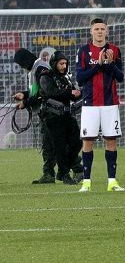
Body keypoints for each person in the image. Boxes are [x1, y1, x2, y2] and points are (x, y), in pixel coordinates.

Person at [76, 18, 125, 192]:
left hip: (110, 103)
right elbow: (80, 79)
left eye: (102, 29)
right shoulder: (83, 51)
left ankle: (112, 182)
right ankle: (86, 183)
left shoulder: (115, 50)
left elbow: (120, 77)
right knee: (88, 141)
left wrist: (110, 64)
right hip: (90, 104)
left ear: (107, 31)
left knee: (111, 141)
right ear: (91, 31)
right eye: (96, 29)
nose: (99, 32)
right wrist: (98, 65)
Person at [36, 51, 83, 186]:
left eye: (65, 63)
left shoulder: (65, 78)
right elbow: (50, 92)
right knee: (59, 146)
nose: (64, 66)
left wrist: (78, 94)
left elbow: (72, 95)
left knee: (77, 143)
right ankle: (65, 174)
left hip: (66, 115)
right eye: (61, 64)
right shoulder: (46, 76)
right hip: (52, 116)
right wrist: (70, 92)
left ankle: (64, 171)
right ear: (54, 63)